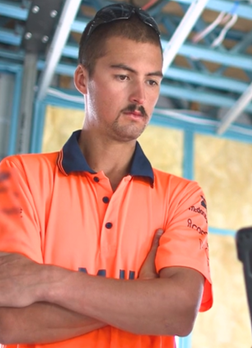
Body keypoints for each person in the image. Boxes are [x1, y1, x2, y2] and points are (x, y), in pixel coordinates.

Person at [0, 3, 212, 347]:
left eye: (152, 80)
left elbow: (179, 313)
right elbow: (8, 322)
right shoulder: (19, 176)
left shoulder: (182, 196)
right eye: (123, 76)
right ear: (84, 79)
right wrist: (142, 298)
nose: (140, 97)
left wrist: (48, 282)